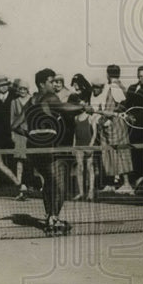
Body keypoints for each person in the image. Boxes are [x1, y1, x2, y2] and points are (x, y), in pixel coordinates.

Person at [24, 68, 93, 234]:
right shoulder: (50, 96)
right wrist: (82, 108)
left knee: (48, 182)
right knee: (61, 185)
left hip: (32, 149)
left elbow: (15, 125)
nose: (53, 84)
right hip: (49, 148)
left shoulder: (30, 100)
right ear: (42, 84)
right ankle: (53, 219)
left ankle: (50, 216)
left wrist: (34, 135)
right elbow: (63, 108)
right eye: (50, 81)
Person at [96, 65, 135, 194]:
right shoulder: (117, 86)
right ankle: (111, 183)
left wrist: (103, 113)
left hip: (116, 124)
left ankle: (127, 184)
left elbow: (120, 106)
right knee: (110, 153)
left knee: (121, 153)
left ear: (108, 74)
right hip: (111, 124)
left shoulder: (115, 87)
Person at [69, 74, 98, 200]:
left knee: (89, 168)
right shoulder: (76, 118)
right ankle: (81, 192)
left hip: (88, 143)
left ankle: (91, 191)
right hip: (79, 144)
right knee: (79, 168)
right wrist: (74, 146)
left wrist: (91, 145)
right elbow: (75, 133)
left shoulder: (90, 117)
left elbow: (95, 132)